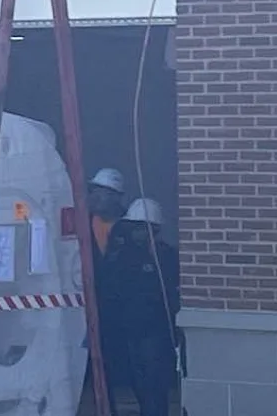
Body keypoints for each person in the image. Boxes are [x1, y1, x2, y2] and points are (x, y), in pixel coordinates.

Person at [99, 198, 182, 416]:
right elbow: (111, 284)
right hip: (130, 329)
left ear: (153, 229)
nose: (135, 233)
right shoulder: (125, 255)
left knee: (155, 382)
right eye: (133, 228)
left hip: (155, 331)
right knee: (139, 381)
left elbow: (170, 290)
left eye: (140, 228)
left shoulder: (165, 255)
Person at [79, 167, 130, 402]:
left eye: (102, 193)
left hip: (123, 311)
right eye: (93, 191)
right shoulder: (82, 225)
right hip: (90, 306)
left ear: (116, 197)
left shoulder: (132, 228)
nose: (95, 197)